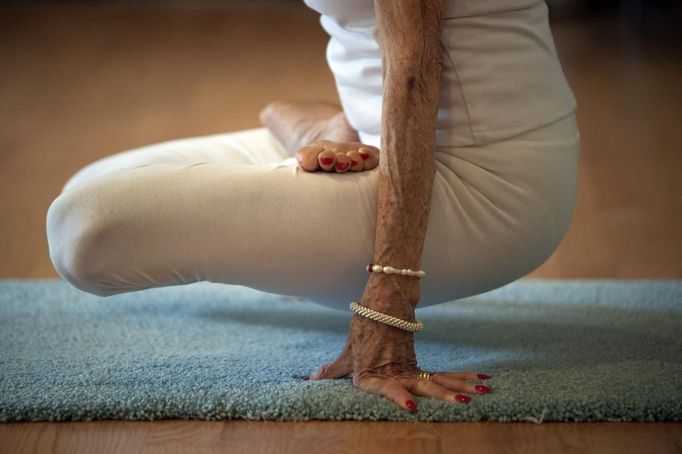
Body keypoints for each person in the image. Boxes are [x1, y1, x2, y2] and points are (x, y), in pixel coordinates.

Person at [45, 0, 580, 414]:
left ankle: (319, 156)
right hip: (379, 142)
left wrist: (388, 306)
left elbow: (414, 69)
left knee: (85, 232)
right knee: (90, 185)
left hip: (479, 185)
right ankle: (326, 128)